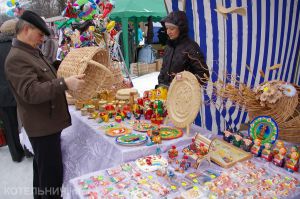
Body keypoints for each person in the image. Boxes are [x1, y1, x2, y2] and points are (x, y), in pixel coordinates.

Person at [5, 10, 85, 199]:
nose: (42, 39)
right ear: (26, 30)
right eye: (40, 34)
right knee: (51, 178)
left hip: (45, 124)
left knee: (42, 172)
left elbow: (44, 75)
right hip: (42, 127)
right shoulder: (17, 57)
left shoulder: (29, 51)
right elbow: (31, 92)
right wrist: (64, 83)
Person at [158, 11, 209, 87]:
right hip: (167, 93)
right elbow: (163, 69)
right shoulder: (169, 46)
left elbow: (203, 75)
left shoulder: (191, 47)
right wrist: (161, 83)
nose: (168, 32)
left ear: (181, 29)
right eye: (167, 28)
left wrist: (184, 85)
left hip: (184, 96)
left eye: (172, 29)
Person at [0, 19, 24, 162]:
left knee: (9, 125)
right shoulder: (18, 47)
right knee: (27, 122)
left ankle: (16, 154)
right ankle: (29, 150)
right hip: (21, 90)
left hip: (2, 93)